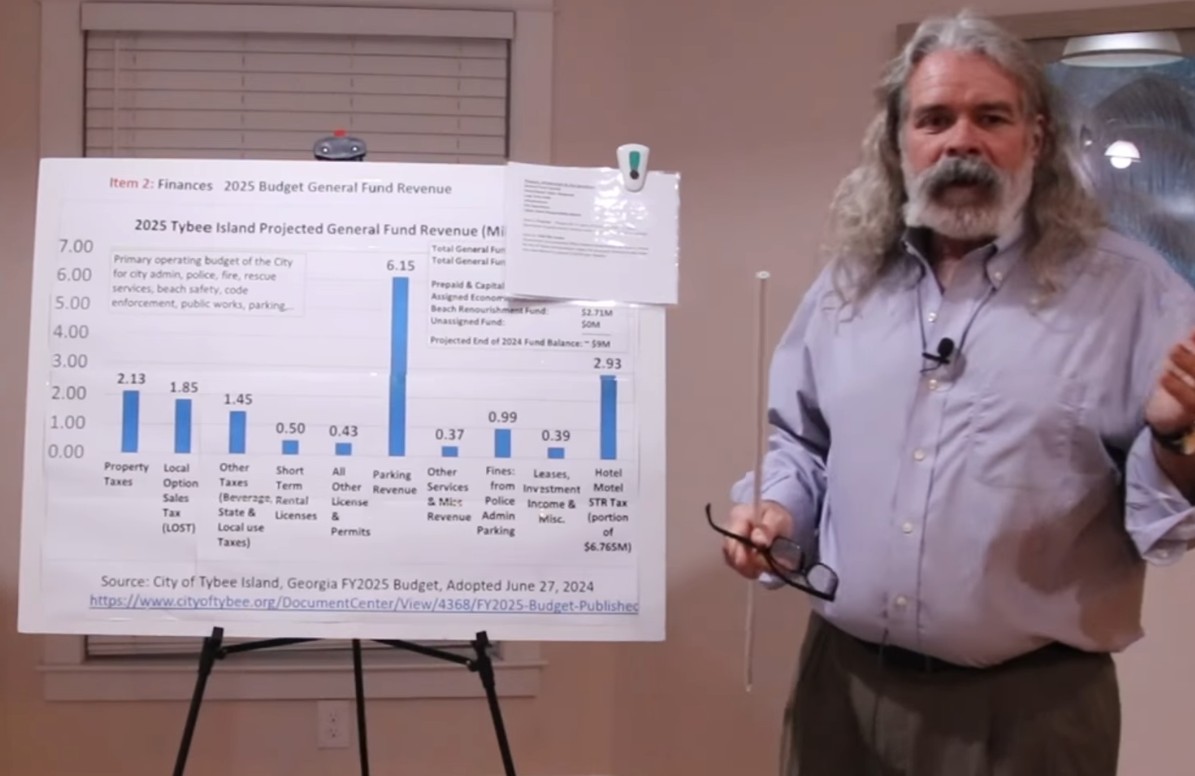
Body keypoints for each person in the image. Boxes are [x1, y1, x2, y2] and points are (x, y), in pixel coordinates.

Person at [716, 10, 1195, 776]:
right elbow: (801, 445)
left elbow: (1164, 521)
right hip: (841, 689)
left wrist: (1176, 438)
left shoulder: (1133, 292)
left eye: (990, 117)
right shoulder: (847, 284)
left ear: (1035, 137)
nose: (960, 141)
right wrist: (778, 511)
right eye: (934, 119)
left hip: (1033, 711)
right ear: (897, 142)